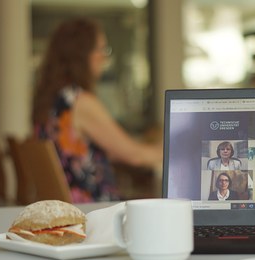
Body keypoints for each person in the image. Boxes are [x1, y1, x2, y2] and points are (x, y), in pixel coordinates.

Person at [32, 18, 162, 202]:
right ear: (81, 55)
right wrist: (179, 151)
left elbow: (99, 151)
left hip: (66, 205)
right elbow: (135, 156)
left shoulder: (54, 99)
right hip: (94, 210)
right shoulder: (80, 101)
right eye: (101, 49)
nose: (104, 57)